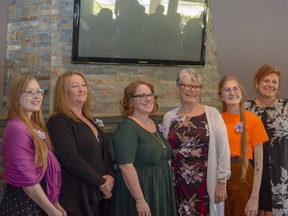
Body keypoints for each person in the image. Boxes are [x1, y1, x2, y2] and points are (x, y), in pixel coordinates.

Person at [162, 68, 231, 216]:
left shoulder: (212, 114)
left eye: (196, 86)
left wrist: (221, 182)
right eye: (187, 85)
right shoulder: (169, 116)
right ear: (178, 88)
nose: (192, 90)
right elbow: (165, 150)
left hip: (206, 182)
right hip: (178, 182)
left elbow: (223, 149)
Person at [46, 71, 114, 216]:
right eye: (75, 86)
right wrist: (101, 182)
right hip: (76, 197)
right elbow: (71, 159)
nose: (82, 89)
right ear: (64, 92)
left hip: (97, 194)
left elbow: (105, 154)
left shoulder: (89, 119)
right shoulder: (59, 121)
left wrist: (110, 177)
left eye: (84, 85)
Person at [0, 75, 66, 216]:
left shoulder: (33, 126)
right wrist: (51, 210)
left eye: (39, 91)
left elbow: (44, 170)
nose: (37, 96)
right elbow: (27, 181)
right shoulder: (17, 128)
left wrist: (54, 203)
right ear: (16, 96)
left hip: (38, 202)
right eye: (30, 92)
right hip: (23, 205)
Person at [111, 80, 177, 216]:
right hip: (142, 190)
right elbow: (126, 166)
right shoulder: (127, 128)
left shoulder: (153, 123)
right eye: (142, 96)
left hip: (160, 188)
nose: (148, 99)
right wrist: (140, 199)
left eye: (150, 95)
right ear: (131, 101)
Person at [218, 75, 268, 216]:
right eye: (227, 90)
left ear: (241, 92)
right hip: (219, 175)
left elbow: (259, 163)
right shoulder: (216, 119)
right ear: (221, 95)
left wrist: (254, 197)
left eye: (235, 89)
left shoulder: (253, 120)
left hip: (244, 174)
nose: (232, 93)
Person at [245, 64, 288, 216]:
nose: (270, 85)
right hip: (253, 172)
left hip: (280, 173)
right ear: (257, 83)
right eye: (266, 80)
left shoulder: (285, 106)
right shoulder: (246, 108)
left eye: (274, 82)